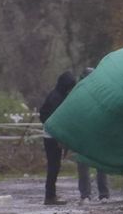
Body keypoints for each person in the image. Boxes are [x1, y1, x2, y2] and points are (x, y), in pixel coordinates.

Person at [39, 70, 77, 205]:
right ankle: (50, 196)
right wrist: (59, 137)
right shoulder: (56, 98)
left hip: (51, 135)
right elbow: (57, 120)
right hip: (52, 137)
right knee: (53, 166)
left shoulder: (56, 95)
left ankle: (51, 194)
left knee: (54, 166)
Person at [74, 67, 110, 201]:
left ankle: (98, 194)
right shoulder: (80, 93)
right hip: (86, 133)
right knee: (87, 165)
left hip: (94, 132)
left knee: (98, 165)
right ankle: (89, 194)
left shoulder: (97, 93)